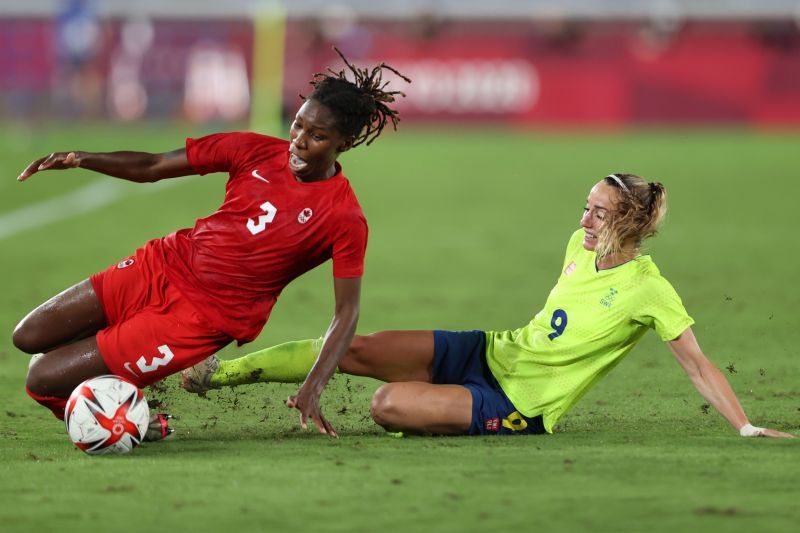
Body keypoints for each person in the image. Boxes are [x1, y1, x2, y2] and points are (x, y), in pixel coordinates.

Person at [182, 174, 793, 438]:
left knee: (386, 403)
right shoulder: (577, 248)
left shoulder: (650, 290)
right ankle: (218, 373)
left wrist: (743, 426)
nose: (582, 219)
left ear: (627, 223)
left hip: (517, 404)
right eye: (585, 206)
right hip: (491, 350)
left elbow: (695, 362)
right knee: (355, 346)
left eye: (597, 213)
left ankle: (438, 414)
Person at [13, 49, 410, 439]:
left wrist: (314, 385)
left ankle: (129, 417)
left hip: (199, 318)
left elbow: (347, 311)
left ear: (346, 143)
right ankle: (121, 393)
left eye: (317, 136)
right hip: (163, 263)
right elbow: (152, 167)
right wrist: (80, 157)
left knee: (42, 378)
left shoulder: (344, 217)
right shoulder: (254, 150)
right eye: (298, 125)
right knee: (27, 337)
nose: (298, 142)